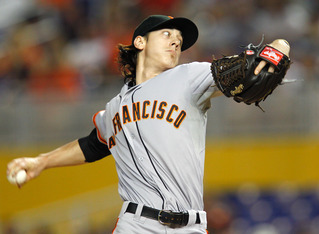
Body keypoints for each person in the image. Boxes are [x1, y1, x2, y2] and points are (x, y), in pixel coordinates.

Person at [7, 15, 289, 233]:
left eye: (179, 39)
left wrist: (279, 47)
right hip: (137, 223)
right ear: (140, 42)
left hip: (190, 225)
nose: (176, 41)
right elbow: (93, 144)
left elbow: (243, 70)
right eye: (167, 34)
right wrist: (42, 161)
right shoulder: (114, 107)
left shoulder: (189, 78)